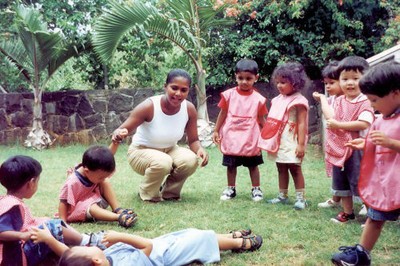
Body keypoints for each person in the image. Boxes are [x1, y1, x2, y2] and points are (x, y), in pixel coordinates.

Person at [331, 62, 400, 265]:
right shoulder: (381, 119)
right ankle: (361, 254)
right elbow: (376, 143)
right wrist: (365, 143)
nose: (372, 105)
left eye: (375, 100)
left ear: (395, 93)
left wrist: (391, 143)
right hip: (386, 184)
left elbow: (388, 143)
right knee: (375, 217)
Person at [112, 69, 209, 203]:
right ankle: (148, 194)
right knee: (163, 161)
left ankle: (170, 193)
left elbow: (193, 140)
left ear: (188, 91)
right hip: (140, 152)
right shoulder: (149, 106)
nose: (178, 93)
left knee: (190, 160)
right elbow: (121, 130)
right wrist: (118, 134)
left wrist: (200, 150)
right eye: (174, 88)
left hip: (170, 149)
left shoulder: (189, 109)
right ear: (165, 86)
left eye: (183, 90)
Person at [0, 155, 105, 266]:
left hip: (15, 254)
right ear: (31, 183)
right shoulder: (13, 205)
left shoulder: (7, 200)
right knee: (52, 225)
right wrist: (22, 236)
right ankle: (87, 240)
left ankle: (75, 242)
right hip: (16, 258)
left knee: (43, 222)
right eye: (37, 181)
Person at [324, 56, 374, 224]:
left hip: (358, 149)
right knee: (341, 181)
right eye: (345, 79)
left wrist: (339, 124)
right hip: (340, 148)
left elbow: (364, 122)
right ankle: (347, 212)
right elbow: (332, 118)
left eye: (355, 78)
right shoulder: (339, 100)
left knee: (360, 181)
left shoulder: (366, 101)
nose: (350, 83)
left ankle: (371, 215)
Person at [212, 59, 268, 201]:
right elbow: (223, 113)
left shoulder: (258, 99)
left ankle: (256, 189)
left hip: (251, 138)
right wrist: (216, 130)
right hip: (232, 138)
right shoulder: (228, 95)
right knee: (231, 165)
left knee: (253, 165)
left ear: (256, 78)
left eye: (248, 78)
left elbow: (261, 119)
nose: (244, 81)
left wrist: (268, 135)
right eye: (240, 78)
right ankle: (230, 188)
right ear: (235, 76)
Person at [56, 228, 263, 266]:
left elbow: (67, 255)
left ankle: (228, 237)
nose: (93, 246)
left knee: (192, 233)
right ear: (96, 261)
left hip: (161, 245)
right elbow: (146, 246)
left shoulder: (104, 258)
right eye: (89, 248)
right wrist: (122, 237)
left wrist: (50, 239)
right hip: (165, 255)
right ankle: (239, 244)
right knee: (201, 239)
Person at [258, 61, 309, 210]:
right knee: (280, 166)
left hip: (292, 140)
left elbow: (301, 124)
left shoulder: (299, 101)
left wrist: (300, 144)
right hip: (279, 140)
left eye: (284, 82)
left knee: (295, 167)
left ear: (295, 83)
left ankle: (300, 199)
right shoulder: (277, 100)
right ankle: (282, 196)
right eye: (278, 82)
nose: (279, 85)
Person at [59, 145, 137, 228]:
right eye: (100, 177)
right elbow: (63, 202)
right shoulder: (72, 181)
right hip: (79, 209)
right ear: (87, 171)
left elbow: (107, 156)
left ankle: (117, 210)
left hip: (95, 200)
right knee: (91, 205)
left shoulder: (94, 170)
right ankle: (119, 218)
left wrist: (115, 143)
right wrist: (63, 222)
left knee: (105, 182)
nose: (102, 179)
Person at [312, 61, 343, 208]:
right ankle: (336, 199)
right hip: (335, 144)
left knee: (356, 175)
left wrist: (322, 99)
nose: (328, 87)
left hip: (349, 146)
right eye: (326, 83)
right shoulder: (333, 99)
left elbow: (330, 116)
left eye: (332, 83)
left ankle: (364, 202)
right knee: (338, 174)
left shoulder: (348, 100)